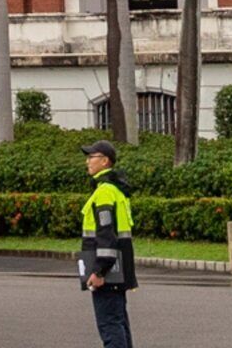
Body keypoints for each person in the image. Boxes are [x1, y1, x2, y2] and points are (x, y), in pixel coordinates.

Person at [78, 140, 136, 348]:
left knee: (110, 324)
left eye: (91, 157)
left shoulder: (104, 192)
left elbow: (106, 234)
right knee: (119, 321)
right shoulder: (116, 190)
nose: (87, 162)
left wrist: (100, 271)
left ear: (104, 161)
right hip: (118, 268)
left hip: (108, 270)